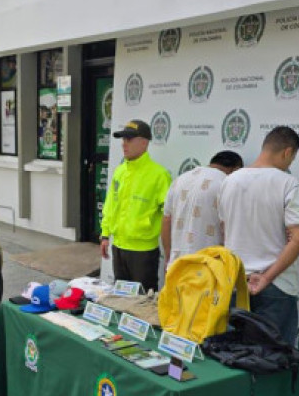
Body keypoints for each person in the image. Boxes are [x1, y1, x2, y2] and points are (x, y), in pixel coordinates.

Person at [218, 126, 299, 346]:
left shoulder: (229, 181)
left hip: (235, 280)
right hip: (276, 284)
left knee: (233, 354)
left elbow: (224, 230)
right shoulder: (288, 183)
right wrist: (267, 277)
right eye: (292, 158)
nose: (290, 164)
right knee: (273, 359)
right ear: (287, 152)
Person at [99, 120, 172, 292]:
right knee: (120, 297)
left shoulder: (159, 175)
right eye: (123, 139)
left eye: (129, 139)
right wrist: (105, 234)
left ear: (144, 142)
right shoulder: (120, 171)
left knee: (143, 300)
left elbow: (168, 216)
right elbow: (111, 203)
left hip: (143, 251)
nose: (124, 144)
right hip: (119, 246)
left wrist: (170, 251)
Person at [161, 150, 243, 269]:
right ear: (235, 169)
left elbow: (167, 220)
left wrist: (169, 256)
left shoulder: (180, 179)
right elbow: (229, 229)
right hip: (209, 269)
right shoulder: (226, 183)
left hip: (177, 265)